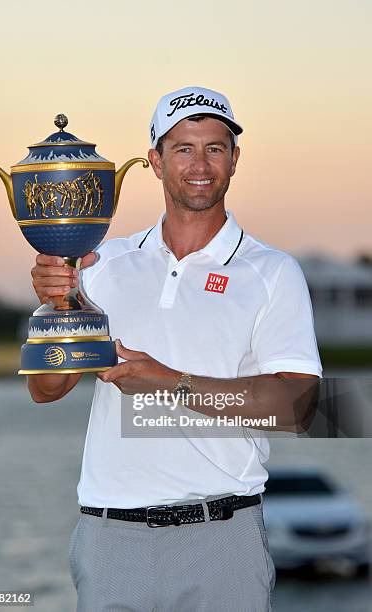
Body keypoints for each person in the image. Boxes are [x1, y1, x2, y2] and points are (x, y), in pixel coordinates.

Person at [29, 86, 322, 612]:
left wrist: (170, 382)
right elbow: (45, 389)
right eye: (183, 148)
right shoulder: (102, 264)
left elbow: (299, 406)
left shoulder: (272, 271)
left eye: (215, 147)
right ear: (155, 162)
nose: (200, 164)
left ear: (235, 159)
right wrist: (61, 305)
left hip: (222, 536)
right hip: (110, 536)